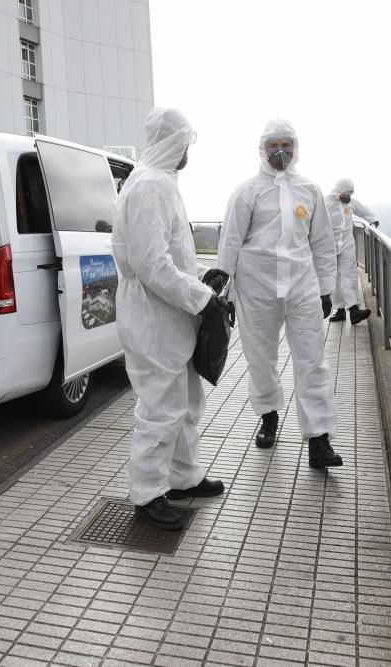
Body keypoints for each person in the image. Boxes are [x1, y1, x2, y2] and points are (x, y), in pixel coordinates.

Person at [112, 107, 227, 530]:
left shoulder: (159, 183)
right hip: (152, 314)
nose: (187, 153)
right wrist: (202, 298)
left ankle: (182, 477)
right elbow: (151, 264)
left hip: (168, 312)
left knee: (184, 400)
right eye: (185, 144)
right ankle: (147, 494)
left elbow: (172, 254)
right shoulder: (149, 185)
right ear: (172, 142)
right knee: (161, 404)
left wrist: (201, 280)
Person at [217, 119, 342, 468]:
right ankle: (269, 414)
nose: (281, 152)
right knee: (260, 357)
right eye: (274, 146)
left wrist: (326, 288)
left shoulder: (310, 190)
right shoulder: (247, 192)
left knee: (312, 360)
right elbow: (229, 243)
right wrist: (224, 293)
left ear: (297, 148)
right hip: (256, 288)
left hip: (302, 286)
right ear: (262, 149)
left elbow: (321, 242)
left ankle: (319, 439)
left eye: (287, 145)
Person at [326, 178, 377, 324]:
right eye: (346, 193)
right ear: (338, 191)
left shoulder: (351, 203)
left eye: (350, 193)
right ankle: (339, 310)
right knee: (334, 278)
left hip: (347, 244)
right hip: (329, 245)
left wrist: (373, 220)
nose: (348, 196)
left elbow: (364, 210)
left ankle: (354, 309)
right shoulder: (326, 203)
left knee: (349, 275)